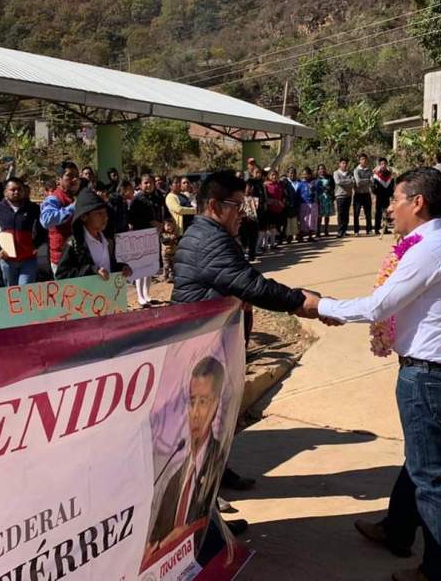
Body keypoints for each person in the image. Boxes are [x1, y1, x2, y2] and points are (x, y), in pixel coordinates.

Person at [309, 168, 441, 581]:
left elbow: (378, 306)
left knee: (433, 477)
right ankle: (397, 529)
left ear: (417, 203)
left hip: (429, 379)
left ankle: (440, 572)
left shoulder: (429, 250)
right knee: (422, 458)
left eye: (395, 199)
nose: (388, 208)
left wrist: (319, 305)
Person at [171, 170, 321, 533]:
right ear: (213, 205)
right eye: (237, 205)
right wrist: (299, 301)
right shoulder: (209, 239)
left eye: (245, 204)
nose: (244, 212)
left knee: (217, 423)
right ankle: (204, 526)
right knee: (200, 431)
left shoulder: (213, 234)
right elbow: (249, 284)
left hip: (213, 345)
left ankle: (215, 486)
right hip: (201, 351)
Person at [144, 357, 228, 561]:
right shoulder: (176, 480)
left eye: (203, 402)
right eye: (192, 401)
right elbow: (156, 537)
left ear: (216, 404)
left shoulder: (216, 457)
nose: (195, 413)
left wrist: (188, 534)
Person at [55, 189, 132, 281]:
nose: (105, 217)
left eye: (105, 213)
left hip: (108, 290)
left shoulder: (108, 241)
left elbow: (109, 266)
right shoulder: (74, 244)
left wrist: (122, 268)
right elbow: (62, 275)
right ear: (84, 217)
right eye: (99, 214)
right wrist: (91, 270)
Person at [0, 178, 45, 287]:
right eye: (13, 190)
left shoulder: (33, 208)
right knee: (11, 291)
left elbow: (43, 230)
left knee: (25, 289)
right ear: (5, 192)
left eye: (19, 189)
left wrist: (35, 245)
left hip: (28, 259)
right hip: (7, 260)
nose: (16, 192)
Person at [40, 161, 81, 275]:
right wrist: (73, 208)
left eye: (77, 176)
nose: (75, 179)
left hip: (79, 257)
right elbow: (46, 220)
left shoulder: (77, 197)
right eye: (70, 176)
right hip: (62, 260)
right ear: (59, 180)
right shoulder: (53, 199)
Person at [129, 174, 163, 307]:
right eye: (145, 183)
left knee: (150, 266)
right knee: (141, 267)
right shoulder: (137, 199)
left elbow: (161, 213)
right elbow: (133, 218)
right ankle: (140, 296)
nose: (148, 185)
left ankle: (147, 293)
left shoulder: (158, 197)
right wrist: (150, 222)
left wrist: (160, 224)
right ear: (140, 184)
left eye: (150, 183)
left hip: (154, 235)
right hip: (141, 235)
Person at [263, 169, 285, 250]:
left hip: (278, 209)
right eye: (272, 175)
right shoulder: (266, 185)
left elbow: (282, 196)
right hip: (269, 209)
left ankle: (272, 244)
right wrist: (275, 201)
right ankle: (265, 244)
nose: (274, 176)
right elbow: (265, 198)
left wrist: (282, 202)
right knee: (268, 228)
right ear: (269, 176)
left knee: (274, 228)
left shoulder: (279, 185)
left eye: (275, 175)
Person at [372, 158, 395, 234]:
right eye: (382, 164)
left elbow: (391, 185)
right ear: (379, 165)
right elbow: (373, 186)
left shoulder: (389, 174)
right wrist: (375, 193)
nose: (383, 165)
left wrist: (391, 194)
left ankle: (385, 229)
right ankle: (376, 229)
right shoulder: (376, 175)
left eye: (385, 164)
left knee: (386, 213)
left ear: (386, 164)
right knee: (378, 213)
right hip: (379, 196)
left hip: (386, 196)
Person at [353, 153, 374, 236]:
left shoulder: (369, 170)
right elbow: (358, 182)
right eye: (362, 159)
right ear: (359, 160)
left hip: (366, 194)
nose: (364, 161)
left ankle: (369, 230)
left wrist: (364, 181)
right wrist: (367, 180)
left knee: (368, 213)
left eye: (365, 159)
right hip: (358, 194)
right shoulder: (356, 170)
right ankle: (356, 231)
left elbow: (372, 182)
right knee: (356, 213)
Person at [297, 167, 319, 241]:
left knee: (311, 220)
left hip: (312, 204)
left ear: (310, 174)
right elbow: (298, 194)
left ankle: (310, 236)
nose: (305, 176)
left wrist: (312, 188)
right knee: (303, 220)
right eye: (303, 174)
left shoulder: (314, 183)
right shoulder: (300, 184)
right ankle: (301, 236)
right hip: (303, 204)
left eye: (306, 174)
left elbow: (317, 192)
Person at [334, 157, 353, 238]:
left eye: (346, 163)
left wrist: (344, 182)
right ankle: (340, 231)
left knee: (346, 214)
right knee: (340, 214)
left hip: (348, 195)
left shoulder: (349, 173)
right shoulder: (336, 173)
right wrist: (348, 181)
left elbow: (353, 182)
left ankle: (344, 230)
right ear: (340, 164)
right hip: (340, 196)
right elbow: (338, 182)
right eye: (343, 163)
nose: (344, 165)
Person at [280, 167, 300, 244]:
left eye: (294, 173)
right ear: (287, 173)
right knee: (288, 221)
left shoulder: (298, 182)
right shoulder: (284, 182)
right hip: (287, 205)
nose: (292, 174)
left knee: (295, 221)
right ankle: (288, 236)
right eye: (291, 173)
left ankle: (296, 235)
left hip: (296, 204)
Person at [316, 164, 334, 237]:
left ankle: (326, 231)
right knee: (319, 216)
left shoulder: (330, 177)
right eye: (320, 169)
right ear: (318, 170)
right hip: (319, 199)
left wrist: (329, 189)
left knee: (327, 215)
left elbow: (333, 186)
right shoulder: (316, 179)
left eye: (323, 168)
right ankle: (318, 231)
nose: (322, 170)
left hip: (327, 198)